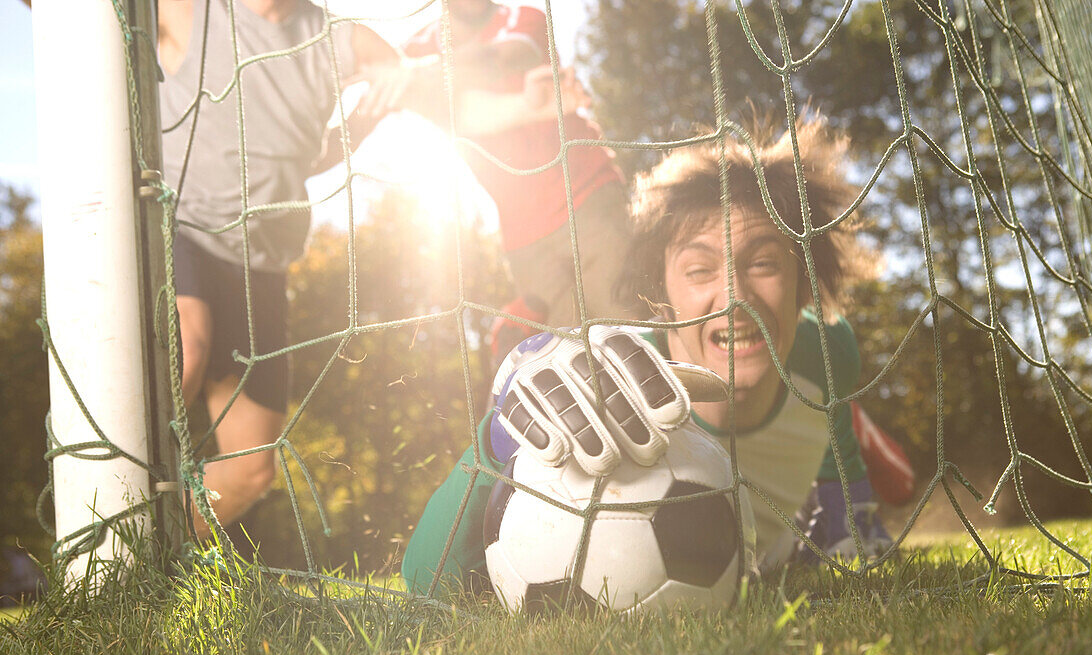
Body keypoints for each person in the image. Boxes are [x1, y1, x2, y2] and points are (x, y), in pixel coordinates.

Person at [401, 115, 894, 594]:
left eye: (763, 263)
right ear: (663, 293)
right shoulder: (603, 380)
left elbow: (835, 439)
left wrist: (850, 517)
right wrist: (496, 440)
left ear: (804, 285)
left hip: (785, 546)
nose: (734, 297)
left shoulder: (828, 349)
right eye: (699, 270)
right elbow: (425, 578)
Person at [157, 0, 403, 534]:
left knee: (250, 470)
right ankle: (109, 510)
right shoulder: (187, 10)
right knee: (188, 349)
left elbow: (392, 67)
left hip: (260, 268)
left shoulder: (334, 39)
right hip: (183, 231)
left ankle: (150, 555)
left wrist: (368, 113)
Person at [393, 0, 647, 331]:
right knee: (564, 363)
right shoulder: (416, 47)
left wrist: (414, 74)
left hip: (587, 197)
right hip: (523, 236)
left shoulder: (525, 18)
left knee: (630, 333)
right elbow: (400, 93)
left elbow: (509, 56)